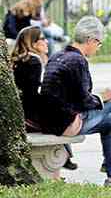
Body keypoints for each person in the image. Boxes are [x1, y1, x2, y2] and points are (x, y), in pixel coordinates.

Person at [41, 17, 111, 188]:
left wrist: (99, 98)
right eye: (99, 44)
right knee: (109, 109)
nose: (98, 48)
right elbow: (84, 101)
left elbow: (71, 96)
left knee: (110, 120)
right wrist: (103, 98)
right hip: (63, 124)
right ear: (91, 40)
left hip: (48, 119)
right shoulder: (78, 60)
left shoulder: (57, 55)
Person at [11, 26, 80, 171]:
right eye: (43, 39)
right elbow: (35, 94)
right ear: (33, 43)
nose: (47, 42)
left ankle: (66, 155)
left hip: (21, 113)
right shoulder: (34, 62)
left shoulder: (22, 60)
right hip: (28, 117)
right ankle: (65, 155)